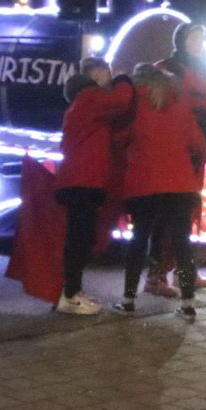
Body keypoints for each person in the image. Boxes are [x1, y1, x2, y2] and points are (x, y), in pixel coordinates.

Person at [112, 63, 206, 321]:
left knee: (138, 241)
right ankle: (188, 304)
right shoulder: (179, 106)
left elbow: (119, 139)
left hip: (144, 185)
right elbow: (197, 143)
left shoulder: (134, 107)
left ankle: (128, 300)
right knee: (181, 244)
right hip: (180, 186)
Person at [146, 22, 206, 297]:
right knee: (165, 213)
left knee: (190, 212)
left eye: (201, 39)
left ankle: (186, 271)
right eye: (194, 38)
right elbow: (158, 104)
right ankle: (156, 274)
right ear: (181, 41)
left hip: (196, 152)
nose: (198, 44)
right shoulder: (166, 68)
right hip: (172, 152)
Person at [51, 57, 132, 315]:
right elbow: (121, 100)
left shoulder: (83, 104)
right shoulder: (89, 98)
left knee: (81, 238)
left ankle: (72, 291)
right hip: (82, 182)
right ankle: (70, 295)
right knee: (80, 239)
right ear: (95, 75)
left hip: (81, 180)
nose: (109, 76)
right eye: (106, 72)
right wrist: (123, 80)